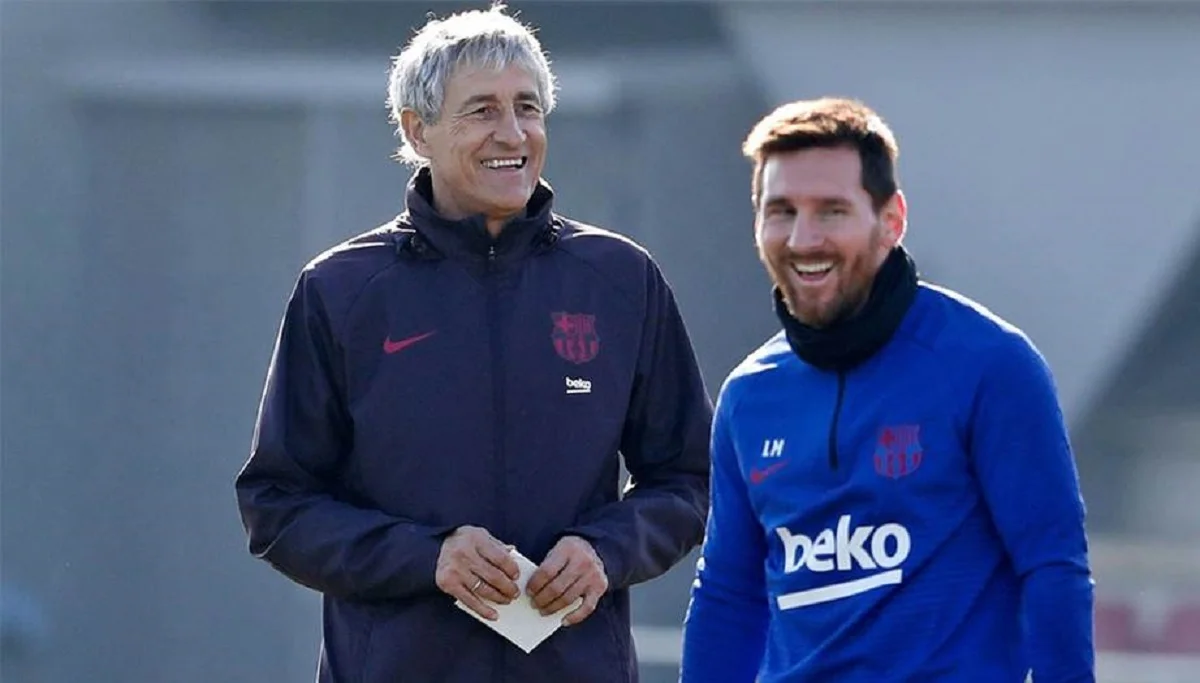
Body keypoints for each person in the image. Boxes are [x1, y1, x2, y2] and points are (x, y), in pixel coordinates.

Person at [234, 5, 712, 682]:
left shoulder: (620, 280)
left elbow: (690, 476)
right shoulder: (341, 291)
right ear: (417, 130)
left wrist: (607, 549)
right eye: (482, 110)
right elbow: (277, 505)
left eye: (528, 107)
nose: (512, 133)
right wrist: (428, 557)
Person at [679, 97, 1094, 682]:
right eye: (781, 211)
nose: (802, 238)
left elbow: (1052, 568)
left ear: (891, 220)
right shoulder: (748, 396)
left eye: (831, 212)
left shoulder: (991, 364)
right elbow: (728, 596)